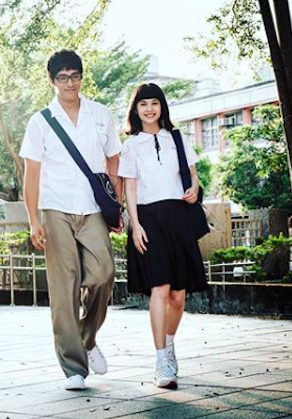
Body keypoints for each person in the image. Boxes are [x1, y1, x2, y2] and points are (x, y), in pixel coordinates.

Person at [20, 49, 123, 391]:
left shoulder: (100, 114)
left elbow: (114, 161)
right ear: (52, 80)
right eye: (62, 77)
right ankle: (73, 367)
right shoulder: (40, 121)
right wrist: (33, 220)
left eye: (74, 76)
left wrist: (116, 206)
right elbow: (32, 174)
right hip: (55, 209)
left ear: (81, 77)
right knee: (64, 289)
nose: (69, 83)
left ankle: (87, 338)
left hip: (92, 209)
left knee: (104, 274)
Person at [118, 83, 207, 389]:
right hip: (149, 219)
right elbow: (129, 188)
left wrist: (194, 187)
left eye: (154, 103)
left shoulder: (177, 138)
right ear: (136, 109)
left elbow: (192, 174)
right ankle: (160, 362)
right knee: (160, 288)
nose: (149, 109)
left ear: (162, 106)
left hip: (179, 216)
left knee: (178, 296)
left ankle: (169, 345)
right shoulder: (131, 145)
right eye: (143, 104)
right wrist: (135, 224)